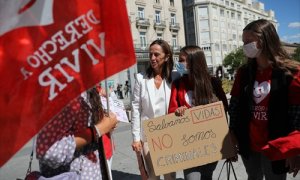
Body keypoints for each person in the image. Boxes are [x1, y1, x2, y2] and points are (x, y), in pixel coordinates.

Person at [228, 19, 300, 179]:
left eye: (248, 41)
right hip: (249, 145)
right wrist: (232, 133)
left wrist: (295, 149)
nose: (244, 45)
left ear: (265, 40)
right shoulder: (244, 72)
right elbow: (234, 105)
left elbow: (297, 116)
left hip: (278, 145)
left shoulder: (291, 73)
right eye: (243, 41)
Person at [168, 45, 229, 180]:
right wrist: (177, 111)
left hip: (210, 144)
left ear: (193, 62)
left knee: (207, 176)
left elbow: (223, 110)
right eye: (179, 60)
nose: (179, 63)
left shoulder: (212, 83)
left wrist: (228, 144)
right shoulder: (177, 84)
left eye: (182, 60)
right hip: (188, 146)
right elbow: (171, 112)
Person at [36, 87, 118, 180]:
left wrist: (105, 122)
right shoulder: (65, 93)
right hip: (74, 174)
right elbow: (50, 151)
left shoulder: (87, 88)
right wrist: (98, 130)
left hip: (92, 171)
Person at [131, 39, 176, 180]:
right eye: (150, 54)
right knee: (152, 175)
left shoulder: (175, 77)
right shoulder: (141, 78)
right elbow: (135, 108)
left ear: (167, 56)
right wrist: (136, 138)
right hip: (148, 137)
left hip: (170, 135)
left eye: (156, 54)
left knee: (170, 176)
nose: (152, 58)